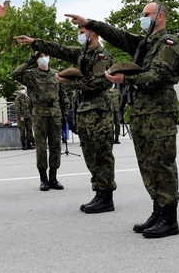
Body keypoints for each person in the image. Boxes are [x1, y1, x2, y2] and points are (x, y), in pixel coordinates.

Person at [65, 1, 179, 238]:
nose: (142, 18)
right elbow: (118, 36)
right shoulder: (145, 43)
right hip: (142, 112)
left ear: (159, 17)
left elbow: (156, 76)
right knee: (147, 163)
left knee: (162, 163)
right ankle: (158, 210)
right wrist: (90, 23)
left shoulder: (169, 43)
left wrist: (125, 79)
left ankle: (169, 217)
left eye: (146, 15)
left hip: (159, 113)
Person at [15, 26, 116, 213]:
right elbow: (60, 49)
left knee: (102, 154)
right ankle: (99, 192)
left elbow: (99, 82)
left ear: (92, 33)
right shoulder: (83, 54)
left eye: (81, 32)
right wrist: (34, 42)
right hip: (84, 110)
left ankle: (106, 195)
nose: (79, 35)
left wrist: (69, 83)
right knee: (90, 154)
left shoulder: (102, 55)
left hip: (99, 110)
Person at [11, 52, 65, 191]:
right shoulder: (32, 75)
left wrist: (64, 114)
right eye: (40, 56)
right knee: (41, 147)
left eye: (46, 55)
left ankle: (53, 178)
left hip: (55, 114)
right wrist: (29, 62)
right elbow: (15, 74)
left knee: (55, 146)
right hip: (39, 114)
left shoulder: (56, 74)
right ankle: (43, 179)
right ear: (37, 59)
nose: (44, 58)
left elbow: (62, 95)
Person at [14, 85, 35, 150]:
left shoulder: (27, 97)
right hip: (22, 117)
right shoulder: (18, 98)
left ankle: (29, 144)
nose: (23, 90)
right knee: (22, 131)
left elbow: (30, 107)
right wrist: (20, 116)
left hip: (28, 116)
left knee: (29, 130)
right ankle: (23, 145)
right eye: (22, 89)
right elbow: (17, 108)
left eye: (24, 89)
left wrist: (32, 115)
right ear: (20, 90)